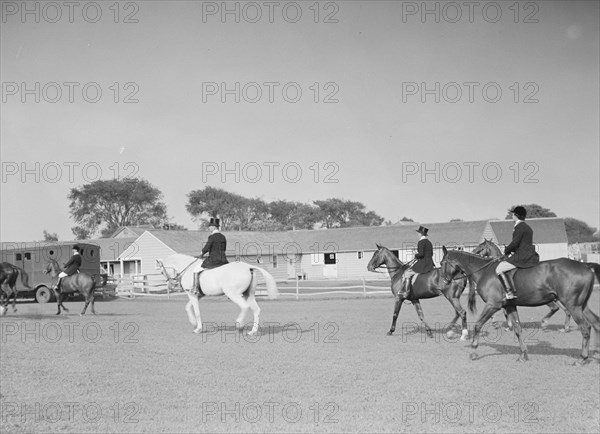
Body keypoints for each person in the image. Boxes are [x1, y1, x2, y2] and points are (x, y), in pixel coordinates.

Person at [496, 206, 540, 300]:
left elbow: (515, 243)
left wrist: (507, 250)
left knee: (499, 269)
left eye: (513, 214)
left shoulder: (519, 227)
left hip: (522, 256)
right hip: (528, 254)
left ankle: (509, 292)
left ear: (516, 215)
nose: (512, 215)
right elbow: (521, 243)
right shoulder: (527, 227)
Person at [192, 218, 228, 293]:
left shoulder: (211, 237)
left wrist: (201, 253)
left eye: (210, 226)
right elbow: (224, 249)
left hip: (213, 259)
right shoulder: (223, 237)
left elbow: (207, 247)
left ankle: (195, 288)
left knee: (196, 269)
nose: (209, 228)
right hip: (224, 259)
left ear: (214, 227)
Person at [398, 226, 435, 298]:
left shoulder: (421, 242)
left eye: (418, 233)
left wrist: (415, 255)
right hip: (430, 263)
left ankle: (406, 291)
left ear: (421, 234)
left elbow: (421, 254)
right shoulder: (429, 242)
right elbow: (430, 254)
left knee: (407, 273)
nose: (418, 234)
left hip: (423, 263)